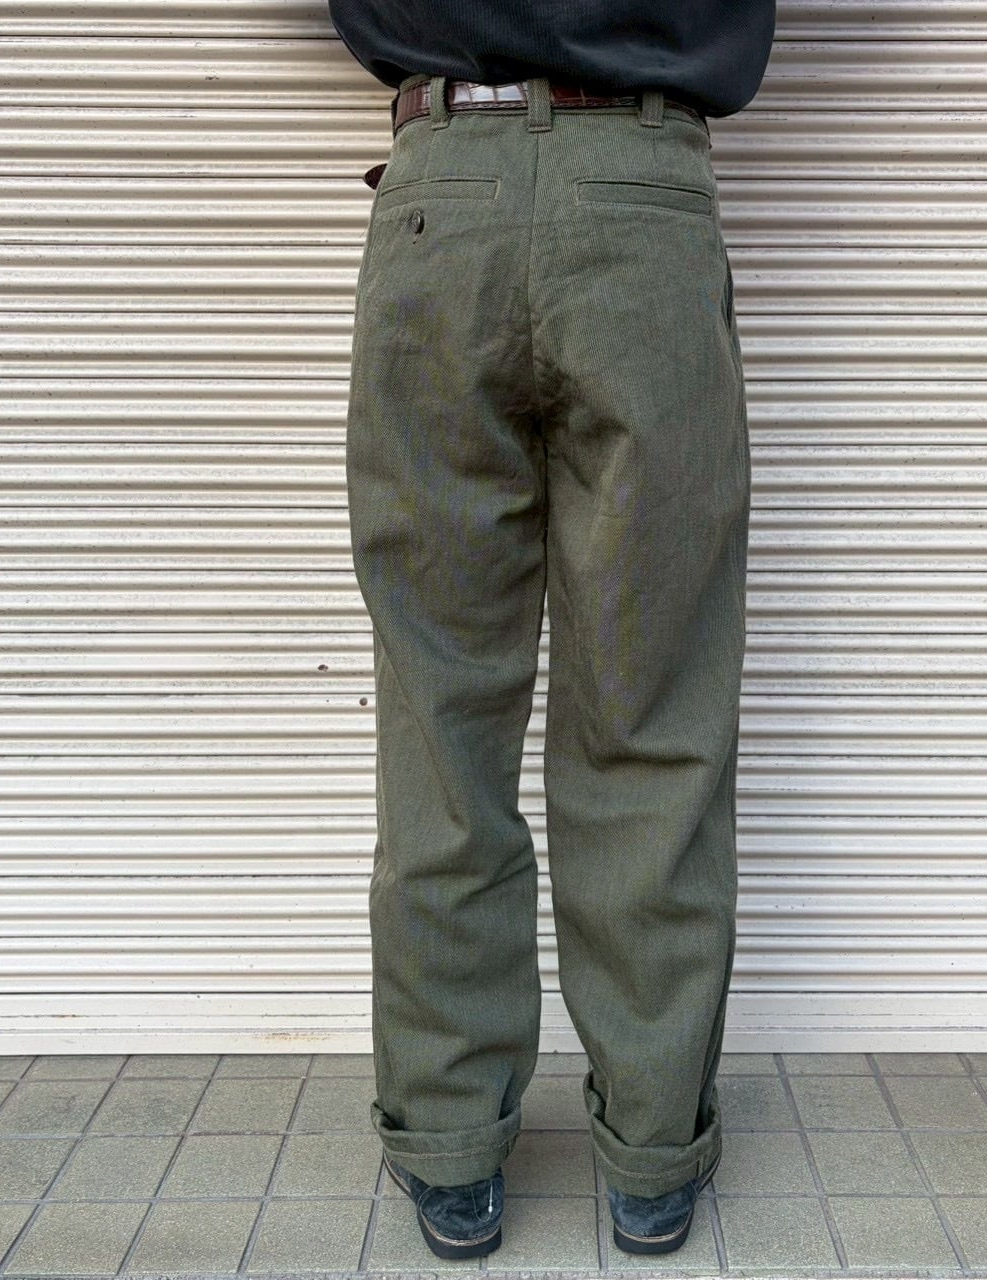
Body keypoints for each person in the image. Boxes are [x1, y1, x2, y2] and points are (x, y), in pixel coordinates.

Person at [328, 1, 775, 1261]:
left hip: (442, 197)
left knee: (441, 719)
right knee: (652, 712)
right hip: (641, 195)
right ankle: (651, 1144)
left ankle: (448, 1140)